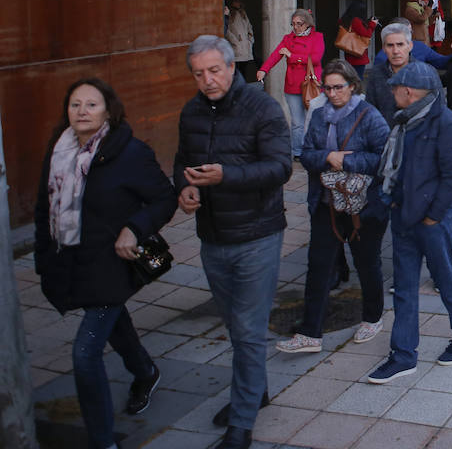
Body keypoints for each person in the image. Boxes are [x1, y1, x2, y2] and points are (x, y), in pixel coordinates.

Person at [34, 78, 176, 449]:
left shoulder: (130, 153)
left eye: (91, 105)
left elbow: (164, 198)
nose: (82, 111)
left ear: (108, 111)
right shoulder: (58, 150)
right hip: (72, 262)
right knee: (113, 320)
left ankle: (102, 441)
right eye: (75, 104)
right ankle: (145, 371)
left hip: (111, 264)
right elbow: (42, 209)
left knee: (84, 354)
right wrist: (43, 259)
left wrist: (134, 228)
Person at [175, 35, 292, 449]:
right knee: (235, 325)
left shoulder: (262, 107)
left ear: (231, 66)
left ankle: (241, 424)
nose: (207, 80)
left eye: (214, 70)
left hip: (258, 234)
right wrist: (184, 189)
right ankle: (254, 389)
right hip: (213, 235)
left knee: (247, 329)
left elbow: (280, 168)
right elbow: (182, 163)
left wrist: (227, 176)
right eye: (199, 73)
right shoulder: (191, 112)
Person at [368, 61, 452, 383]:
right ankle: (403, 356)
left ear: (410, 92)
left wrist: (433, 216)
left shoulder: (446, 124)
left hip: (431, 221)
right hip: (402, 216)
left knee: (446, 280)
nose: (391, 94)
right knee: (404, 289)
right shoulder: (403, 121)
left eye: (395, 89)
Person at [276, 60, 390, 353]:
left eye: (338, 87)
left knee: (367, 264)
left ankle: (373, 317)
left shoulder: (369, 115)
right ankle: (310, 333)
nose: (333, 93)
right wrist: (330, 158)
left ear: (352, 86)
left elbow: (383, 158)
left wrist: (347, 160)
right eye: (327, 88)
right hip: (326, 204)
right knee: (318, 267)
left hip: (363, 206)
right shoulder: (318, 116)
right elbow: (306, 155)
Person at [257, 8, 324, 162]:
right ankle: (298, 152)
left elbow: (315, 59)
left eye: (299, 24)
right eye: (293, 24)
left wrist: (292, 56)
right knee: (297, 123)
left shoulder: (317, 37)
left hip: (311, 84)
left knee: (314, 119)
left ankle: (314, 148)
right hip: (293, 85)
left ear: (307, 24)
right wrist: (263, 70)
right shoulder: (288, 38)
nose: (295, 27)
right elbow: (275, 55)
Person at [373, 17, 452, 70]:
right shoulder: (382, 58)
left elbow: (441, 62)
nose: (410, 34)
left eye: (410, 31)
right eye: (407, 32)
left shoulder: (419, 46)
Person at [338, 1, 378, 79]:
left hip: (349, 51)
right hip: (357, 54)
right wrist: (372, 24)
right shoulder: (355, 21)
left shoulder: (345, 19)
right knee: (358, 78)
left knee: (351, 77)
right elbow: (367, 34)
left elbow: (357, 31)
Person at [224, 0, 256, 82]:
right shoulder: (228, 13)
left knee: (244, 74)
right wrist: (235, 41)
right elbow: (225, 29)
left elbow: (250, 27)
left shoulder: (242, 12)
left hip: (245, 48)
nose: (238, 2)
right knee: (235, 75)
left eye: (239, 0)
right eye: (236, 0)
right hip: (235, 49)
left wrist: (250, 40)